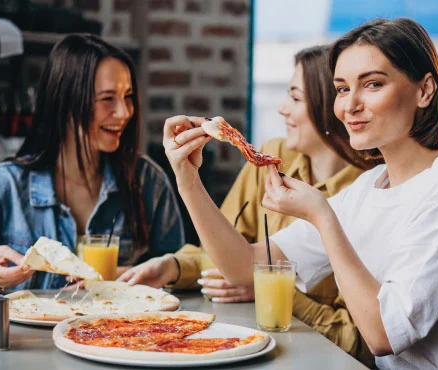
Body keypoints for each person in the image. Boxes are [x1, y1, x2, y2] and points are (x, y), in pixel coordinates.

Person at [162, 18, 438, 369]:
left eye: (373, 84)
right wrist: (188, 180)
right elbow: (244, 267)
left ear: (425, 90)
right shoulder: (372, 185)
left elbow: (382, 335)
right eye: (343, 88)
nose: (349, 106)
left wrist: (321, 216)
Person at [119, 45, 378, 365]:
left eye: (296, 99)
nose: (283, 109)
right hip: (241, 337)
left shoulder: (366, 196)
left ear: (329, 108)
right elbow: (227, 253)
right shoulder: (270, 158)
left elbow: (358, 340)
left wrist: (272, 291)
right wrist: (173, 266)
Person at [0, 34, 184, 291]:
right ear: (65, 103)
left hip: (116, 330)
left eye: (128, 96)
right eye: (107, 98)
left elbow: (183, 276)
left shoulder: (148, 182)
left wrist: (154, 273)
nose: (124, 112)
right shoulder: (0, 189)